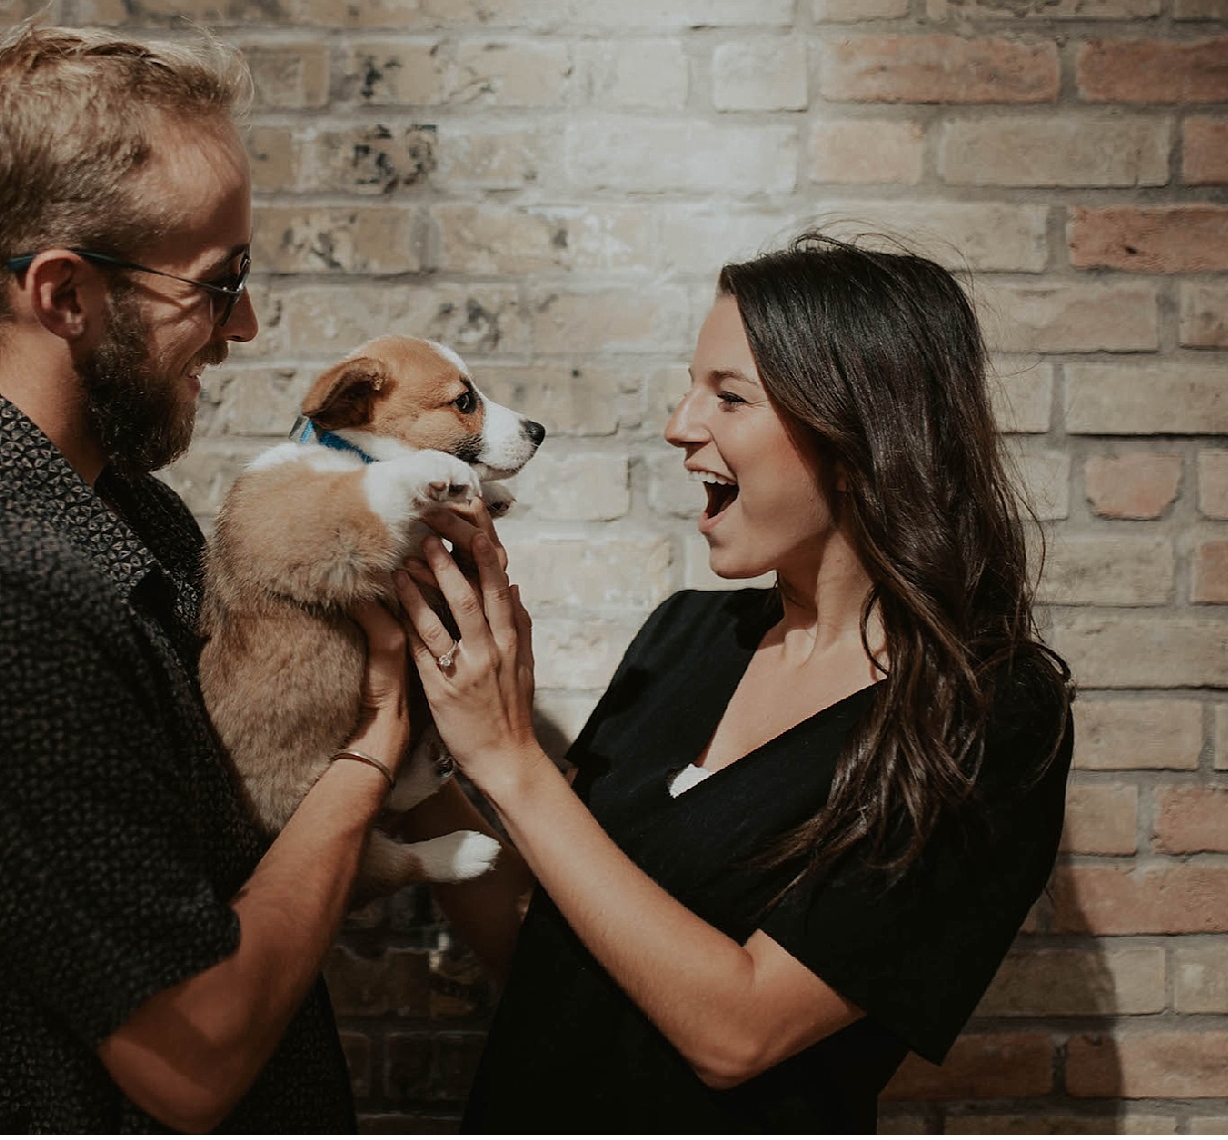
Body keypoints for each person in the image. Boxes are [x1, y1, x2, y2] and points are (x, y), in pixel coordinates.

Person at [0, 24, 405, 1133]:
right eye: (218, 283)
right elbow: (191, 1059)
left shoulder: (121, 504)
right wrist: (374, 745)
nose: (245, 326)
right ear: (64, 296)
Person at [380, 235, 1075, 1132]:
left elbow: (740, 1033)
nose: (680, 424)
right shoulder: (689, 636)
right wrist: (415, 748)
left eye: (730, 396)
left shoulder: (986, 714)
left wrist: (509, 757)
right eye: (691, 388)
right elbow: (542, 942)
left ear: (860, 434)